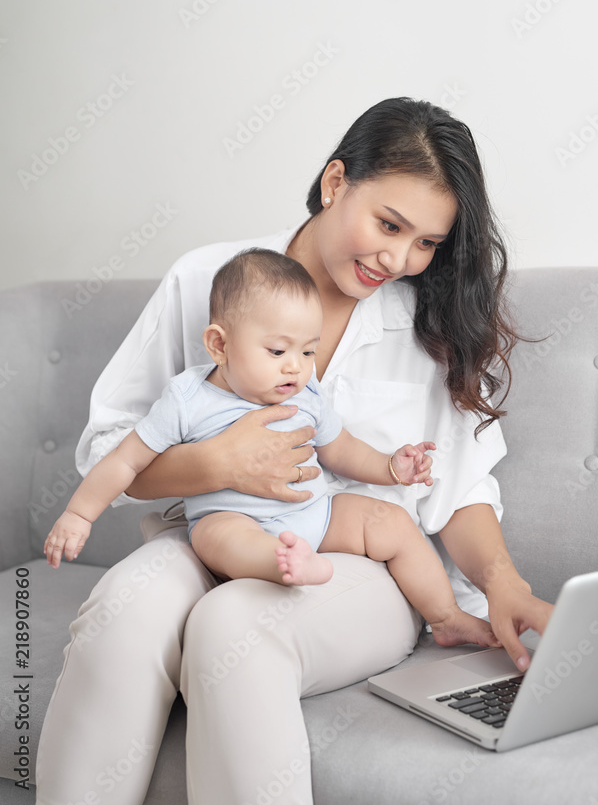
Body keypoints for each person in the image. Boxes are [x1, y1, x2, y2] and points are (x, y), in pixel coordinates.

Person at [36, 97, 553, 805]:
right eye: (388, 225)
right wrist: (218, 463)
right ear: (336, 182)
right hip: (208, 534)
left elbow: (457, 490)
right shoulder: (207, 281)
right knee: (123, 607)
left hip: (356, 561)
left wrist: (504, 584)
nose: (398, 259)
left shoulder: (422, 326)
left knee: (235, 629)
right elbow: (107, 446)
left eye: (426, 243)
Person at [44, 248, 502, 650]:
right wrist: (79, 514)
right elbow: (125, 459)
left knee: (394, 524)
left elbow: (340, 449)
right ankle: (282, 565)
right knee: (219, 538)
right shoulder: (189, 399)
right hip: (235, 518)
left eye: (308, 351)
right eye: (278, 351)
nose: (296, 368)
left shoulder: (306, 394)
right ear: (219, 345)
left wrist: (391, 468)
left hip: (315, 514)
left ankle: (446, 618)